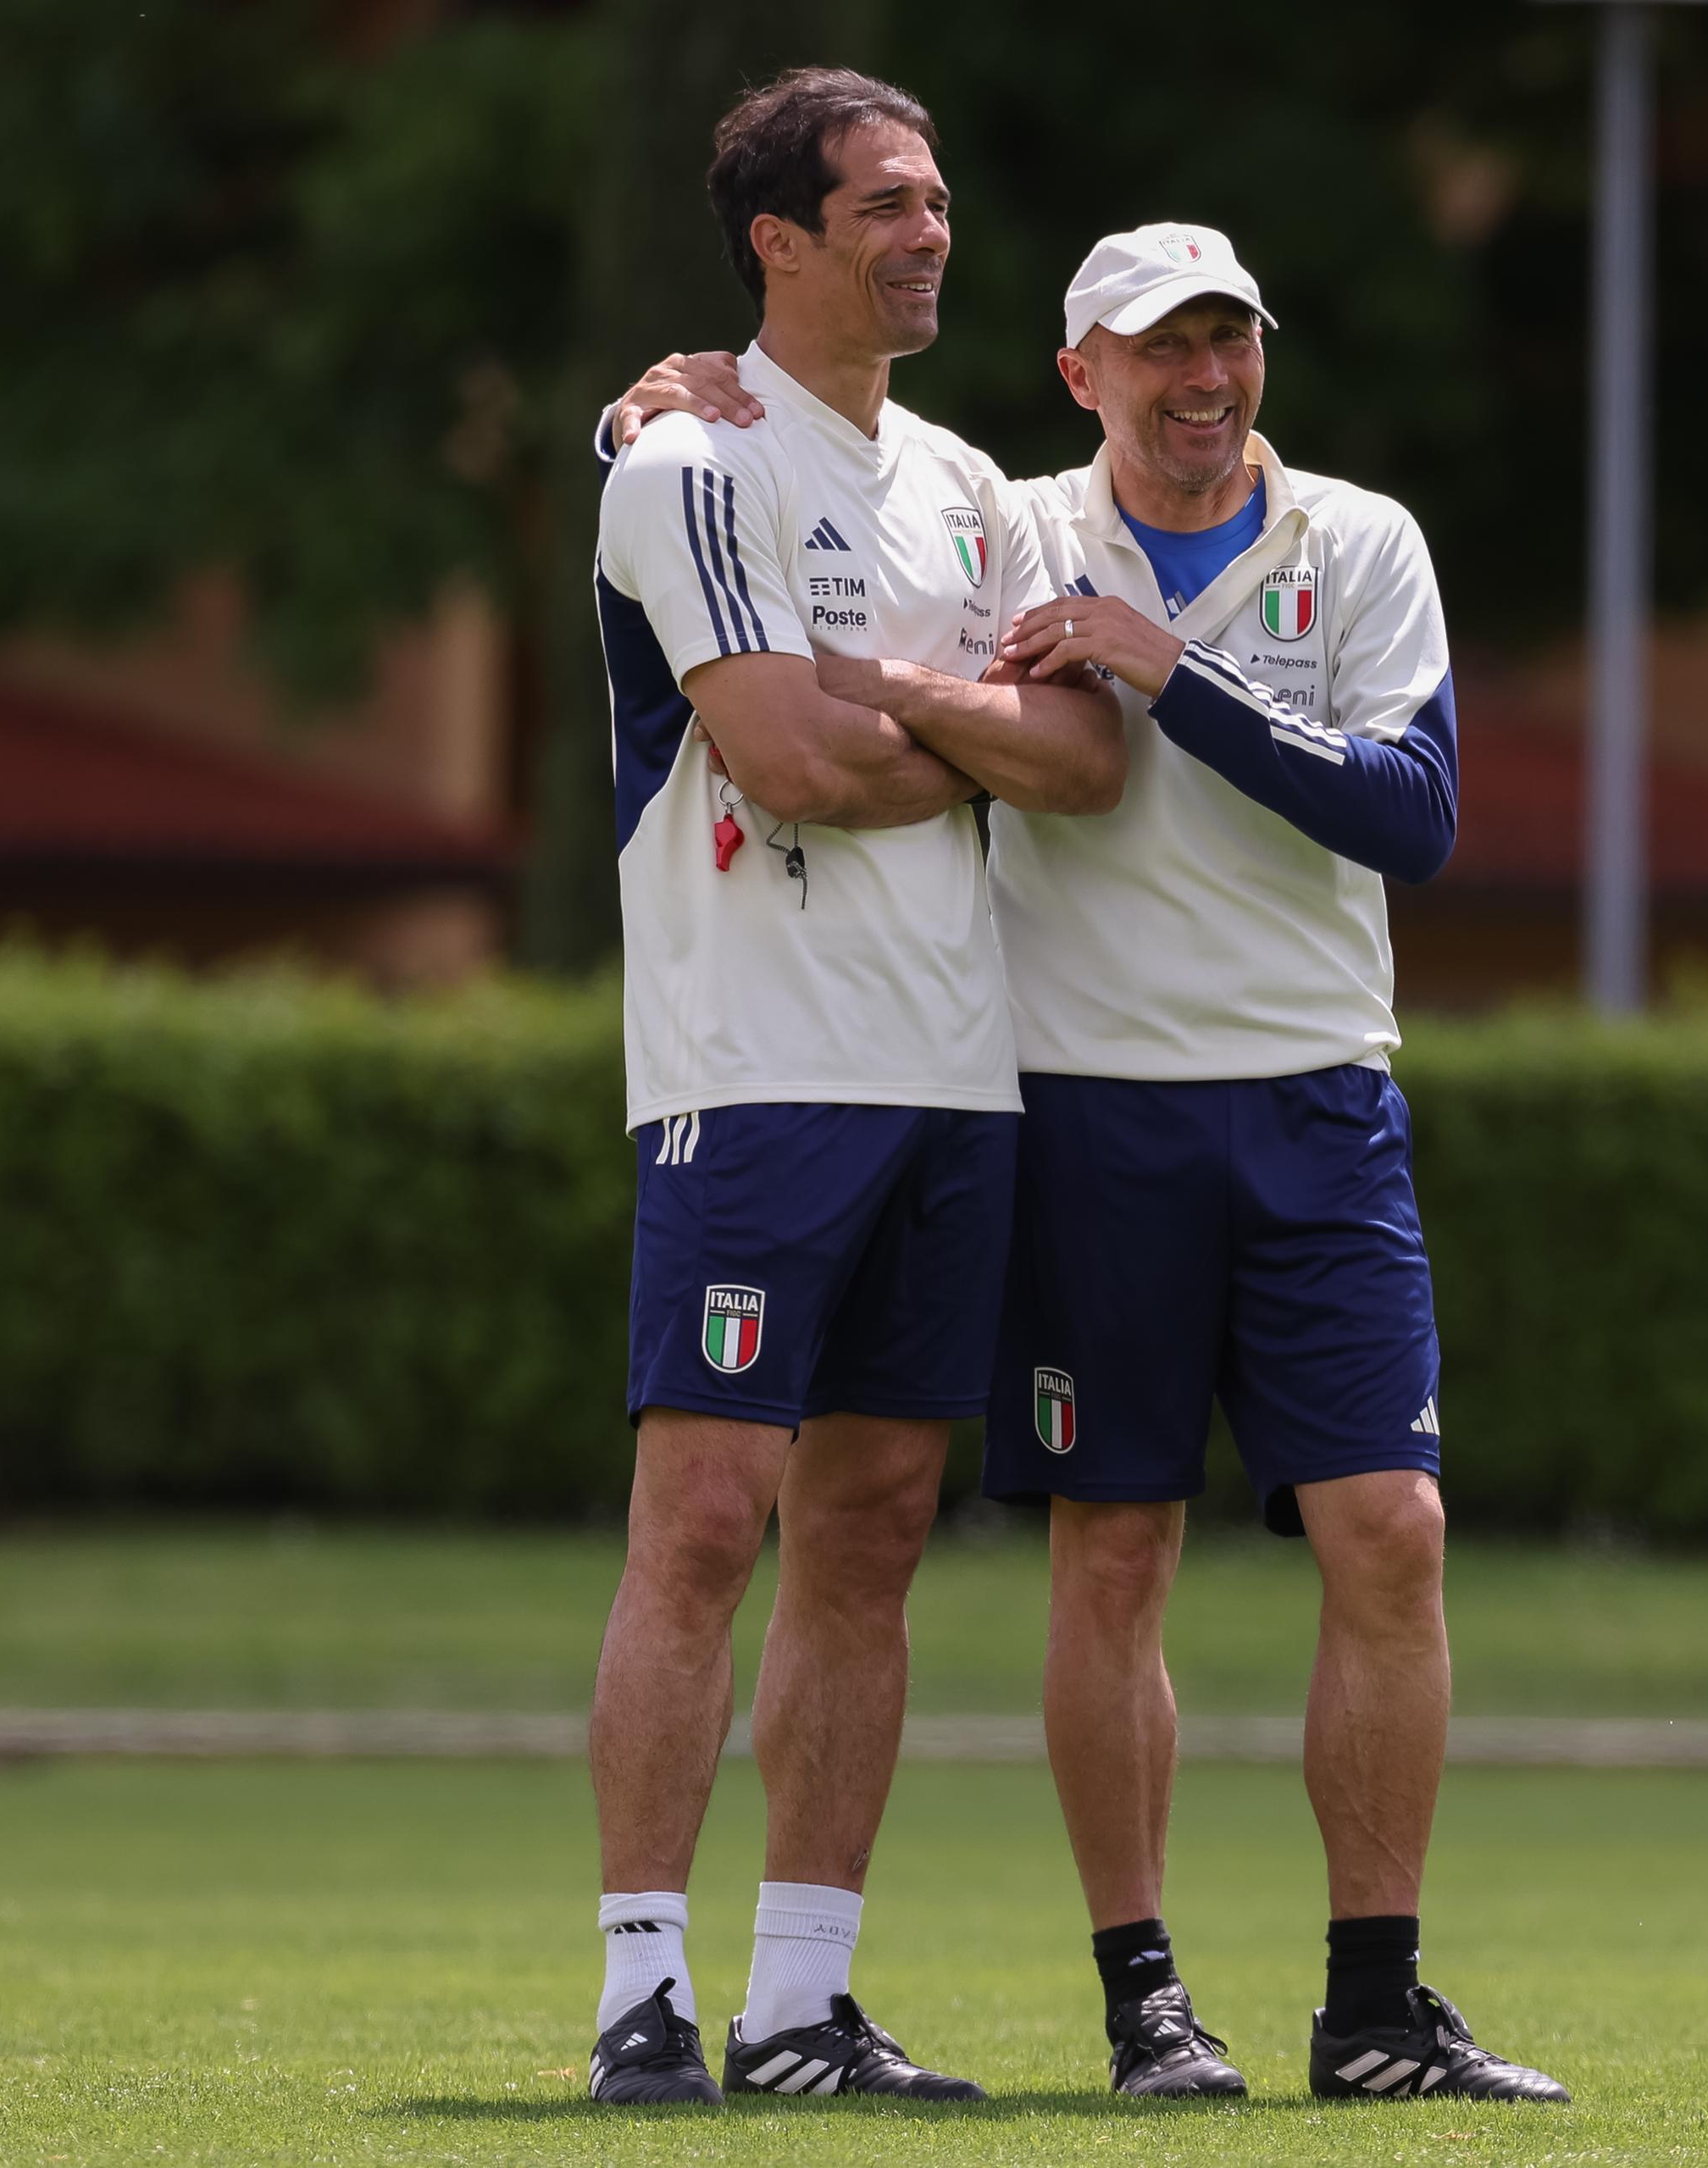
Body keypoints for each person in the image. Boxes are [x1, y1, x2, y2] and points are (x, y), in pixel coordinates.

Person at [609, 222, 1566, 2103]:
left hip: (1320, 1099)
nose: (1203, 379)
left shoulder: (1361, 538)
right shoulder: (1016, 526)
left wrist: (1169, 672)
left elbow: (1414, 816)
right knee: (1114, 1555)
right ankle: (1147, 2005)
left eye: (1231, 340)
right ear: (1084, 374)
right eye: (1159, 348)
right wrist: (640, 416)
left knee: (1395, 1532)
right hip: (1082, 1105)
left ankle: (1377, 2005)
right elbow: (807, 508)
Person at [580, 68, 1121, 2108]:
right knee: (706, 1520)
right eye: (885, 203)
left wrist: (884, 693)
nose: (930, 234)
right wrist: (964, 730)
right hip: (754, 1072)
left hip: (955, 1078)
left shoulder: (977, 488)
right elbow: (785, 765)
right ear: (779, 243)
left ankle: (802, 2002)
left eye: (938, 199)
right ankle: (642, 1986)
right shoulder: (688, 460)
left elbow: (1084, 762)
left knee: (878, 1527)